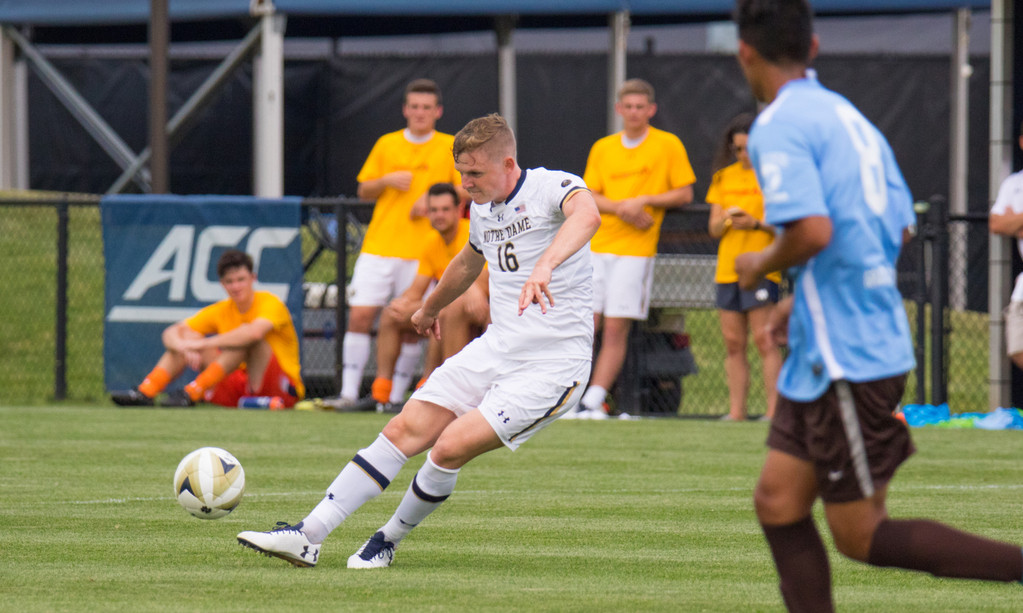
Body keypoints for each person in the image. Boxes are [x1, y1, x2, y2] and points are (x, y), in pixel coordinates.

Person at [731, 1, 1023, 611]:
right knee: (778, 503)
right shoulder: (852, 118)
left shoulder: (779, 124)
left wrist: (759, 263)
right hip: (836, 341)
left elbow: (812, 231)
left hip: (848, 354)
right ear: (813, 49)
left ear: (745, 53)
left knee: (860, 534)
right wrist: (808, 297)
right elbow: (898, 231)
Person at [237, 113, 601, 569]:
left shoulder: (551, 186)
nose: (466, 183)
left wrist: (546, 264)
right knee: (401, 430)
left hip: (553, 366)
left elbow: (588, 215)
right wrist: (429, 309)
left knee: (447, 447)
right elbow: (469, 262)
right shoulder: (485, 208)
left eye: (475, 173)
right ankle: (308, 534)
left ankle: (386, 540)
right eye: (461, 173)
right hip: (498, 348)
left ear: (508, 163)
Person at [327, 78, 464, 410]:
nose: (420, 113)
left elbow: (466, 190)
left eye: (426, 107)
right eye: (414, 106)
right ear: (405, 109)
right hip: (380, 245)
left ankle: (396, 397)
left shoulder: (449, 145)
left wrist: (432, 202)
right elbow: (363, 189)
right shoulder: (387, 144)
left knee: (412, 324)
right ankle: (348, 393)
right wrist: (386, 181)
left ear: (438, 112)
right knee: (360, 316)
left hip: (421, 251)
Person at [569, 78, 695, 419]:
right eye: (629, 106)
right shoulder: (603, 147)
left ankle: (593, 401)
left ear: (651, 110)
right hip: (598, 247)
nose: (635, 112)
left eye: (641, 107)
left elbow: (684, 193)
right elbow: (589, 194)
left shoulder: (668, 145)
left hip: (637, 252)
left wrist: (645, 200)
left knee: (615, 328)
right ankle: (570, 397)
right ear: (619, 109)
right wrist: (623, 207)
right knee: (585, 324)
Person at [301, 182, 488, 412]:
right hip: (453, 304)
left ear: (458, 209)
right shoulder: (431, 241)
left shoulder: (473, 233)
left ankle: (450, 391)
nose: (439, 215)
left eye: (445, 209)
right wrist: (405, 303)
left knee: (448, 309)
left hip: (484, 308)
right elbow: (417, 289)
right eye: (434, 210)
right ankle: (383, 395)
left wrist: (467, 293)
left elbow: (483, 282)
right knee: (393, 313)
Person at [110, 249, 303, 408]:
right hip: (237, 387)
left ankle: (192, 392)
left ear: (253, 278)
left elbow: (254, 332)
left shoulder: (270, 302)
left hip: (279, 388)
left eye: (241, 279)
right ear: (222, 284)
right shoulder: (222, 309)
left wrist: (202, 343)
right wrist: (185, 346)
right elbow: (170, 333)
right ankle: (147, 391)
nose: (236, 286)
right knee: (187, 335)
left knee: (245, 340)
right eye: (229, 281)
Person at [706, 112, 782, 421]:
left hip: (763, 268)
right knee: (734, 343)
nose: (743, 155)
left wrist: (756, 224)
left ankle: (774, 412)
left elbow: (788, 229)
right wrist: (726, 219)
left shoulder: (775, 177)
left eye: (749, 148)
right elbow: (713, 228)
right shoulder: (724, 178)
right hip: (728, 269)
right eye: (738, 149)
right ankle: (736, 412)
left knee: (765, 339)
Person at [988, 121, 1023, 370]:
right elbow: (996, 223)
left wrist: (1016, 221)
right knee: (1017, 348)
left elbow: (1008, 222)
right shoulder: (1013, 183)